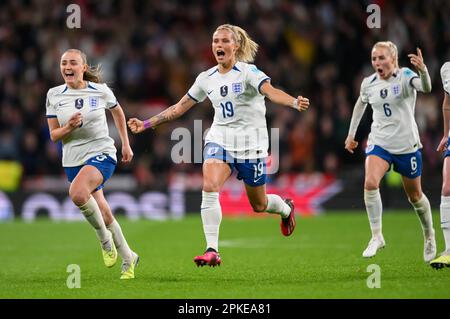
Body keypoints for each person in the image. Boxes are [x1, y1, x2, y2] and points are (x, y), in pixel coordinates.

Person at [128, 24, 310, 267]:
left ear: (235, 46)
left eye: (224, 41)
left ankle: (286, 209)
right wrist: (147, 123)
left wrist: (293, 102)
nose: (219, 46)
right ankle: (212, 249)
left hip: (251, 146)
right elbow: (178, 108)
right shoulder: (206, 78)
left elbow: (270, 92)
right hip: (219, 140)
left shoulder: (248, 72)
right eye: (215, 41)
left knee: (259, 204)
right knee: (209, 185)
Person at [46, 49, 139, 279]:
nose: (68, 67)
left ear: (83, 68)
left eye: (73, 63)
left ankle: (104, 240)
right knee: (105, 212)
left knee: (77, 193)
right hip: (73, 160)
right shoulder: (53, 94)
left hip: (102, 152)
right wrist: (68, 127)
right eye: (64, 63)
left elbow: (118, 112)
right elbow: (54, 135)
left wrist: (125, 144)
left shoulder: (100, 91)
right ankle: (128, 256)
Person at [344, 41, 436, 262]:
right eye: (374, 58)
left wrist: (423, 71)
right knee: (370, 183)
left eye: (382, 57)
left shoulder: (405, 76)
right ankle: (376, 236)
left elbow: (426, 88)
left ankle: (429, 235)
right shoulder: (369, 83)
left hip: (406, 145)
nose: (377, 62)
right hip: (380, 142)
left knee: (415, 196)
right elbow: (360, 104)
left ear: (393, 59)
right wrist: (351, 134)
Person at [430, 62, 450, 269]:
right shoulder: (446, 69)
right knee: (447, 187)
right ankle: (448, 250)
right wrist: (446, 134)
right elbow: (447, 103)